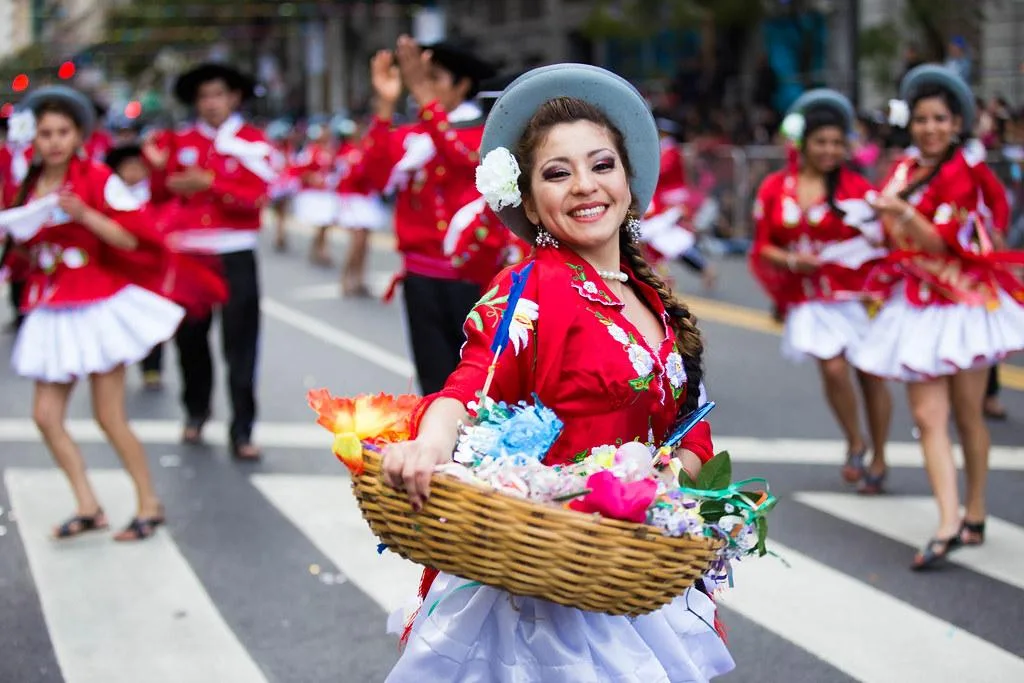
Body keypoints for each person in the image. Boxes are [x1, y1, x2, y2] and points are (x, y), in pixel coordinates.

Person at [380, 64, 733, 683]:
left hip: (633, 575)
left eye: (601, 165)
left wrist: (672, 476)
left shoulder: (657, 301)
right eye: (556, 173)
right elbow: (469, 384)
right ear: (532, 203)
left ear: (628, 180)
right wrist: (427, 446)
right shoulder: (531, 287)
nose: (584, 187)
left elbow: (690, 433)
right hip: (550, 587)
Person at [849, 65, 1024, 569]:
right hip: (915, 305)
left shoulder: (965, 174)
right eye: (922, 119)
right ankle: (948, 519)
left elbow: (942, 242)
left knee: (969, 414)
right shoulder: (902, 170)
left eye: (940, 119)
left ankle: (976, 509)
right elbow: (890, 235)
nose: (929, 128)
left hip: (962, 305)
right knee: (928, 416)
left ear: (956, 124)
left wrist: (901, 215)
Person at [0, 86, 185, 540]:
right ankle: (87, 503)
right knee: (45, 416)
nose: (54, 141)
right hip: (50, 305)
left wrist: (84, 215)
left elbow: (134, 239)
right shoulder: (25, 182)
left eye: (63, 131)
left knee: (109, 416)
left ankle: (149, 502)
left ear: (79, 134)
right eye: (45, 133)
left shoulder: (99, 179)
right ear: (34, 137)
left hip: (98, 303)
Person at [750, 90, 892, 493]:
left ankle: (879, 456)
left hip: (861, 297)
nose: (830, 151)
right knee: (832, 367)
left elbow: (885, 244)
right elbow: (763, 247)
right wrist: (795, 263)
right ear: (805, 144)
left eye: (837, 143)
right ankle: (855, 440)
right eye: (821, 142)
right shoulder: (777, 188)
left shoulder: (860, 192)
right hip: (813, 297)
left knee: (871, 375)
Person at [148, 62, 274, 460]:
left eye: (219, 94)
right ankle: (196, 410)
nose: (212, 103)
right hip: (190, 255)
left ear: (234, 97)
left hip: (235, 251)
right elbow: (158, 196)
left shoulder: (252, 142)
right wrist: (155, 169)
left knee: (241, 344)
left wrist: (210, 185)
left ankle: (242, 429)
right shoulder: (177, 141)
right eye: (204, 96)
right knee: (190, 341)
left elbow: (258, 195)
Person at [358, 36, 495, 394]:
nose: (422, 84)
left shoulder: (485, 132)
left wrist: (424, 99)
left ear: (463, 85)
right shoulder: (413, 134)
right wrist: (385, 106)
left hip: (473, 277)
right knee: (434, 380)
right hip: (420, 275)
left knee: (480, 382)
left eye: (434, 77)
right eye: (420, 77)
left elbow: (464, 160)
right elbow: (371, 177)